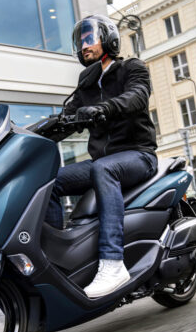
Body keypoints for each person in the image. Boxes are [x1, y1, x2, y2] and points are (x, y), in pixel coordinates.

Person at [45, 15, 158, 298]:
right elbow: (68, 117)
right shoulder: (87, 80)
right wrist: (34, 133)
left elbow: (137, 96)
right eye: (80, 41)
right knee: (49, 181)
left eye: (89, 38)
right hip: (102, 163)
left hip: (138, 155)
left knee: (103, 169)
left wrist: (104, 108)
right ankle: (55, 261)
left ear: (108, 38)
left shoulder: (132, 68)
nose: (84, 46)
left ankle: (113, 263)